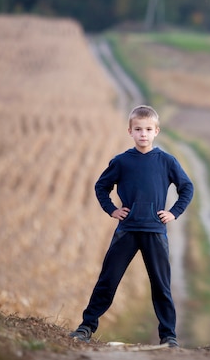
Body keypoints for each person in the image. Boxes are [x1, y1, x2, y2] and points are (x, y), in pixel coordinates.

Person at [70, 105, 194, 348]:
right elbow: (101, 187)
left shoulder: (166, 161)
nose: (143, 134)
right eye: (138, 129)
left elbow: (187, 188)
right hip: (126, 231)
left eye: (148, 129)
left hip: (155, 232)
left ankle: (168, 336)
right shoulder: (121, 162)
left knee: (161, 286)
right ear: (130, 131)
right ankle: (86, 327)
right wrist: (113, 210)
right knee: (108, 280)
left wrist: (174, 213)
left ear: (156, 131)